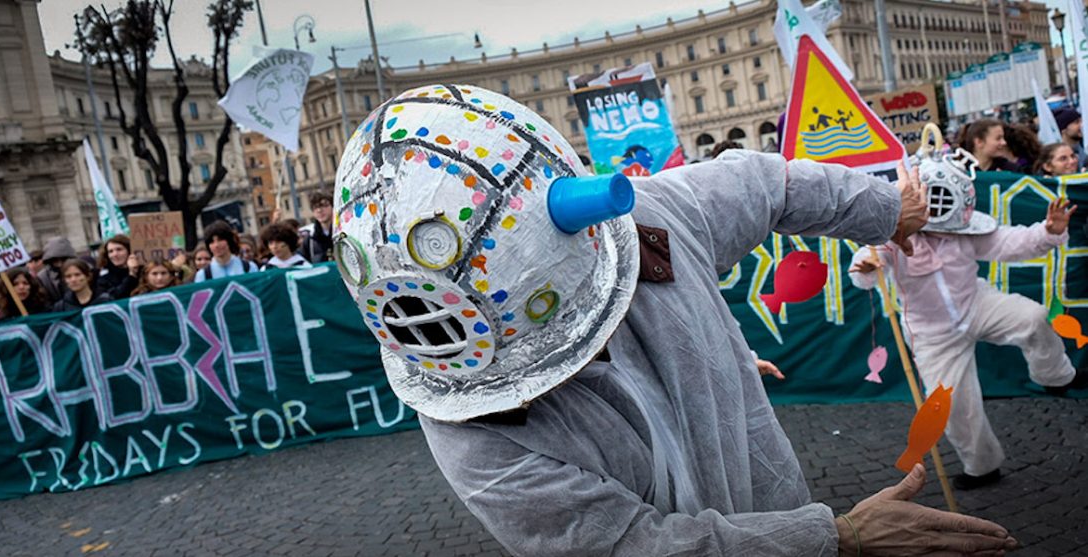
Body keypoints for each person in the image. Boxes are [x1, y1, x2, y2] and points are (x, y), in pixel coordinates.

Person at [331, 85, 1017, 556]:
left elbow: (766, 182)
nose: (544, 387)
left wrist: (878, 207)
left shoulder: (658, 214)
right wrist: (838, 539)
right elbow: (636, 545)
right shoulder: (473, 438)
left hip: (772, 494)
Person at [849, 138, 1087, 491]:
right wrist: (866, 266)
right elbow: (863, 276)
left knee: (1033, 316)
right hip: (932, 333)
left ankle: (1056, 376)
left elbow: (1009, 243)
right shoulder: (886, 239)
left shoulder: (963, 229)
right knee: (953, 406)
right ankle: (982, 466)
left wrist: (1049, 232)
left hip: (977, 303)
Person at [194, 221, 258, 283]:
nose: (216, 245)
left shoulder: (249, 267)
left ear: (229, 241)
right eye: (212, 242)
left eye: (220, 240)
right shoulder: (202, 275)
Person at [95, 234, 141, 300]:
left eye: (119, 249)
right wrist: (131, 275)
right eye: (110, 251)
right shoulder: (104, 279)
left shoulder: (144, 270)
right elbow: (112, 297)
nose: (115, 254)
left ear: (129, 250)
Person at [36, 236, 75, 303]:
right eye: (55, 261)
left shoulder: (82, 269)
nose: (60, 264)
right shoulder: (43, 277)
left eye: (63, 260)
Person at [299, 191, 334, 264]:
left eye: (324, 206)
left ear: (333, 207)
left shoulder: (344, 232)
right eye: (315, 207)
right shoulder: (310, 240)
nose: (319, 210)